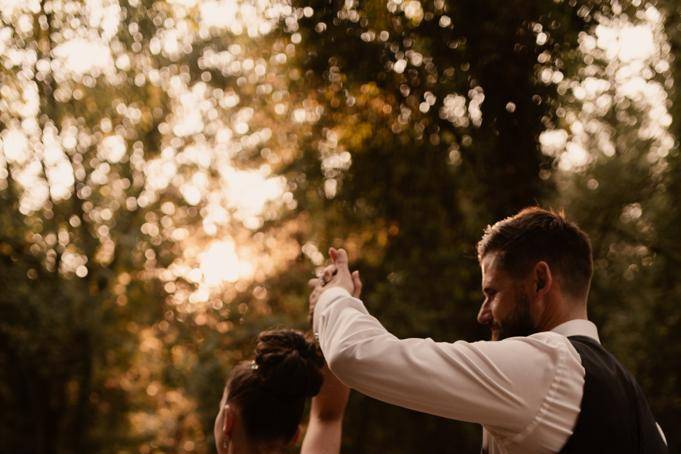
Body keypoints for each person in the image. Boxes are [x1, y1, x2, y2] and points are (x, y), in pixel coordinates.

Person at [309, 207, 668, 453]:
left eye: (492, 292)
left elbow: (355, 354)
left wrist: (334, 296)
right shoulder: (642, 414)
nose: (483, 314)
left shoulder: (546, 366)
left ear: (540, 280)